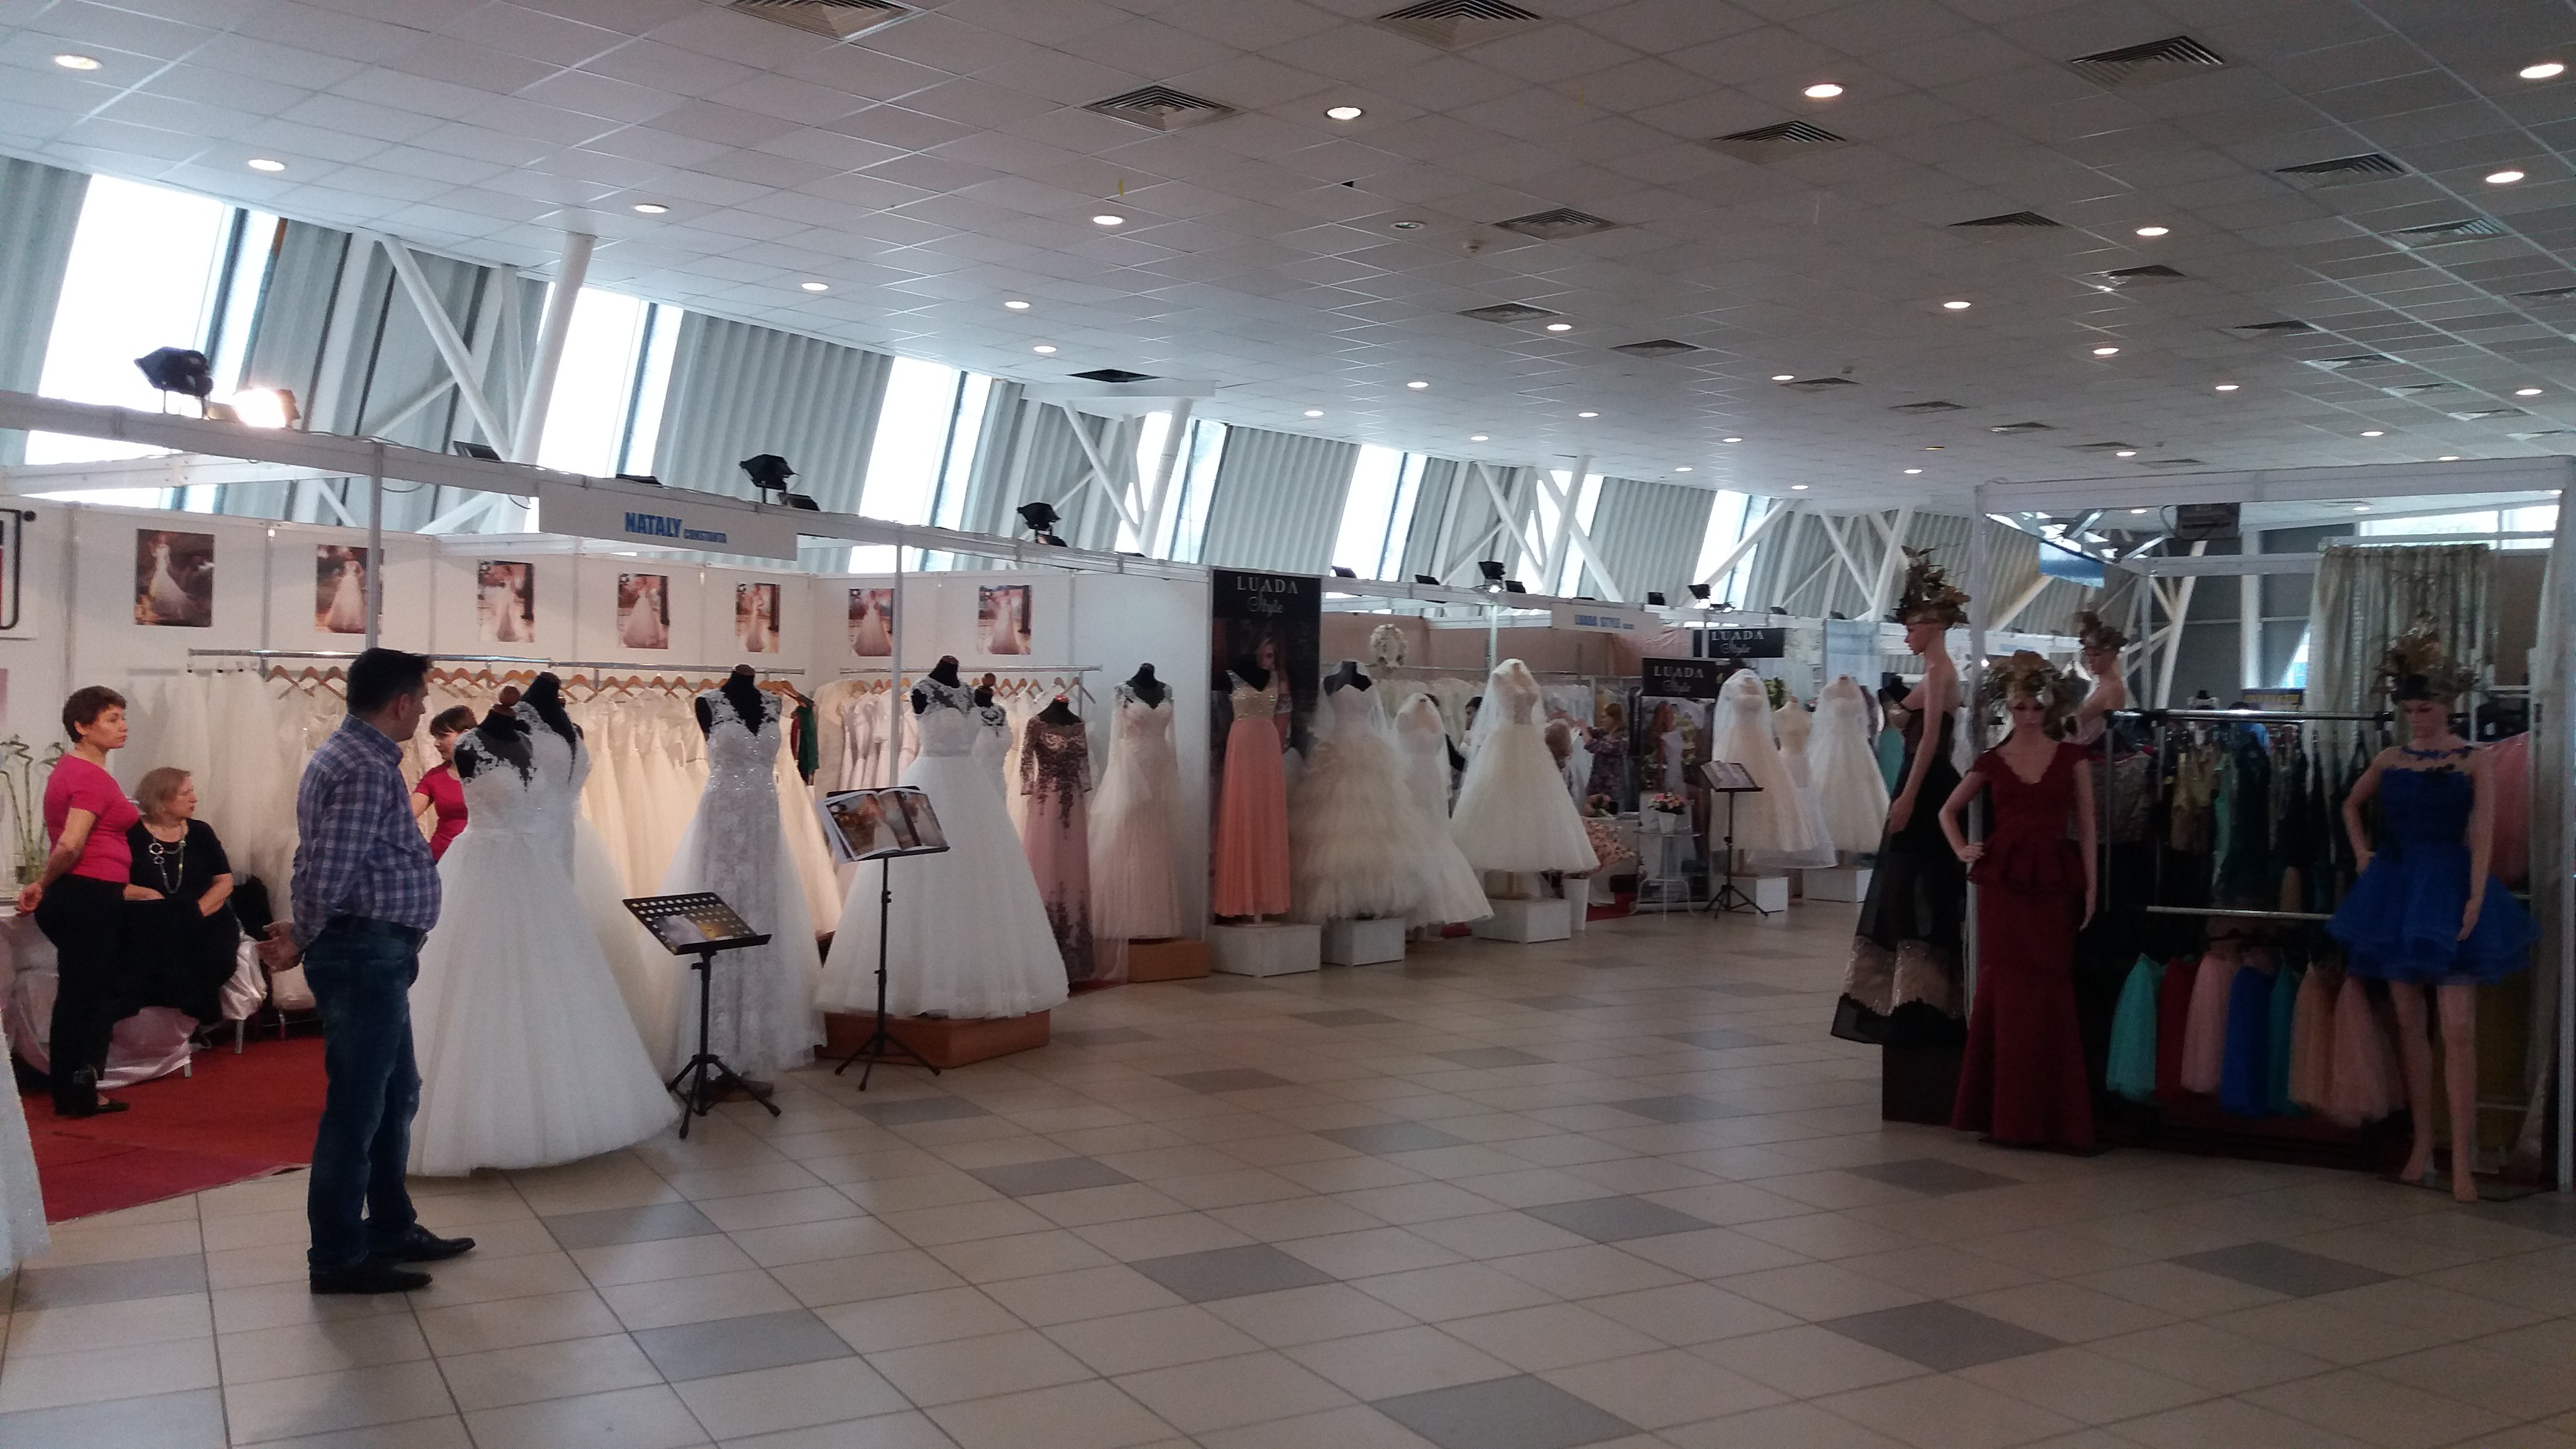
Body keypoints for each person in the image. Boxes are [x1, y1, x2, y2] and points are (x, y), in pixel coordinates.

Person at [258, 648, 475, 1294]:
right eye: (422, 700)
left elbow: (323, 861)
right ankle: (337, 1254)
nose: (424, 711)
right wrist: (304, 935)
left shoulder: (356, 756)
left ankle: (389, 1226)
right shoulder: (362, 766)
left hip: (370, 948)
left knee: (395, 1093)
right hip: (362, 951)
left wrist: (306, 930)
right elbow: (330, 868)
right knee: (358, 1105)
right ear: (401, 702)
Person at [2328, 618, 2536, 1202]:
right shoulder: (2391, 758)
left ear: (2446, 705)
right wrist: (2362, 852)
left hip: (2448, 886)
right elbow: (2349, 804)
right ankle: (2422, 1145)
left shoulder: (2475, 760)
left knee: (2459, 1028)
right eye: (2411, 709)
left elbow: (2484, 834)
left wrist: (2475, 897)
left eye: (2426, 708)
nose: (2418, 717)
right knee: (2409, 1023)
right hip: (2397, 888)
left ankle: (2461, 1157)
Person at [1940, 653, 2097, 1151]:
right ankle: (2003, 1116)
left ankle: (2054, 1117)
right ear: (2008, 707)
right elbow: (1947, 810)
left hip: (2052, 883)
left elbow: (2088, 828)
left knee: (2051, 988)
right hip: (2004, 886)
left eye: (2036, 706)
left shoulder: (2072, 758)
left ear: (2049, 706)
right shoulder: (1992, 761)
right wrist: (1962, 849)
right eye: (2020, 706)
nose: (2029, 715)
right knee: (2004, 991)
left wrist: (2092, 888)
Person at [17, 686, 142, 1116]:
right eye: (112, 718)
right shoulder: (89, 776)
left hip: (88, 892)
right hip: (88, 893)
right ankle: (75, 1092)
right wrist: (42, 882)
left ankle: (79, 1087)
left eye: (122, 717)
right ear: (82, 727)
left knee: (88, 992)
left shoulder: (76, 770)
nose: (123, 726)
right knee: (84, 996)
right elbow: (71, 844)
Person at [125, 768, 240, 1027]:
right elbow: (117, 884)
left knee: (211, 955)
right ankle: (160, 1032)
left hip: (206, 916)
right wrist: (148, 896)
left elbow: (224, 881)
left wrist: (194, 914)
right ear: (161, 800)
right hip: (154, 919)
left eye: (192, 792)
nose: (194, 799)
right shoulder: (131, 834)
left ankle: (194, 1022)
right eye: (185, 793)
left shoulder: (201, 832)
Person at [409, 706, 476, 861]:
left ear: (465, 735)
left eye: (443, 736)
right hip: (442, 859)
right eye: (436, 737)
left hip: (482, 859)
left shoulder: (493, 773)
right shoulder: (434, 777)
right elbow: (404, 817)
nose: (437, 743)